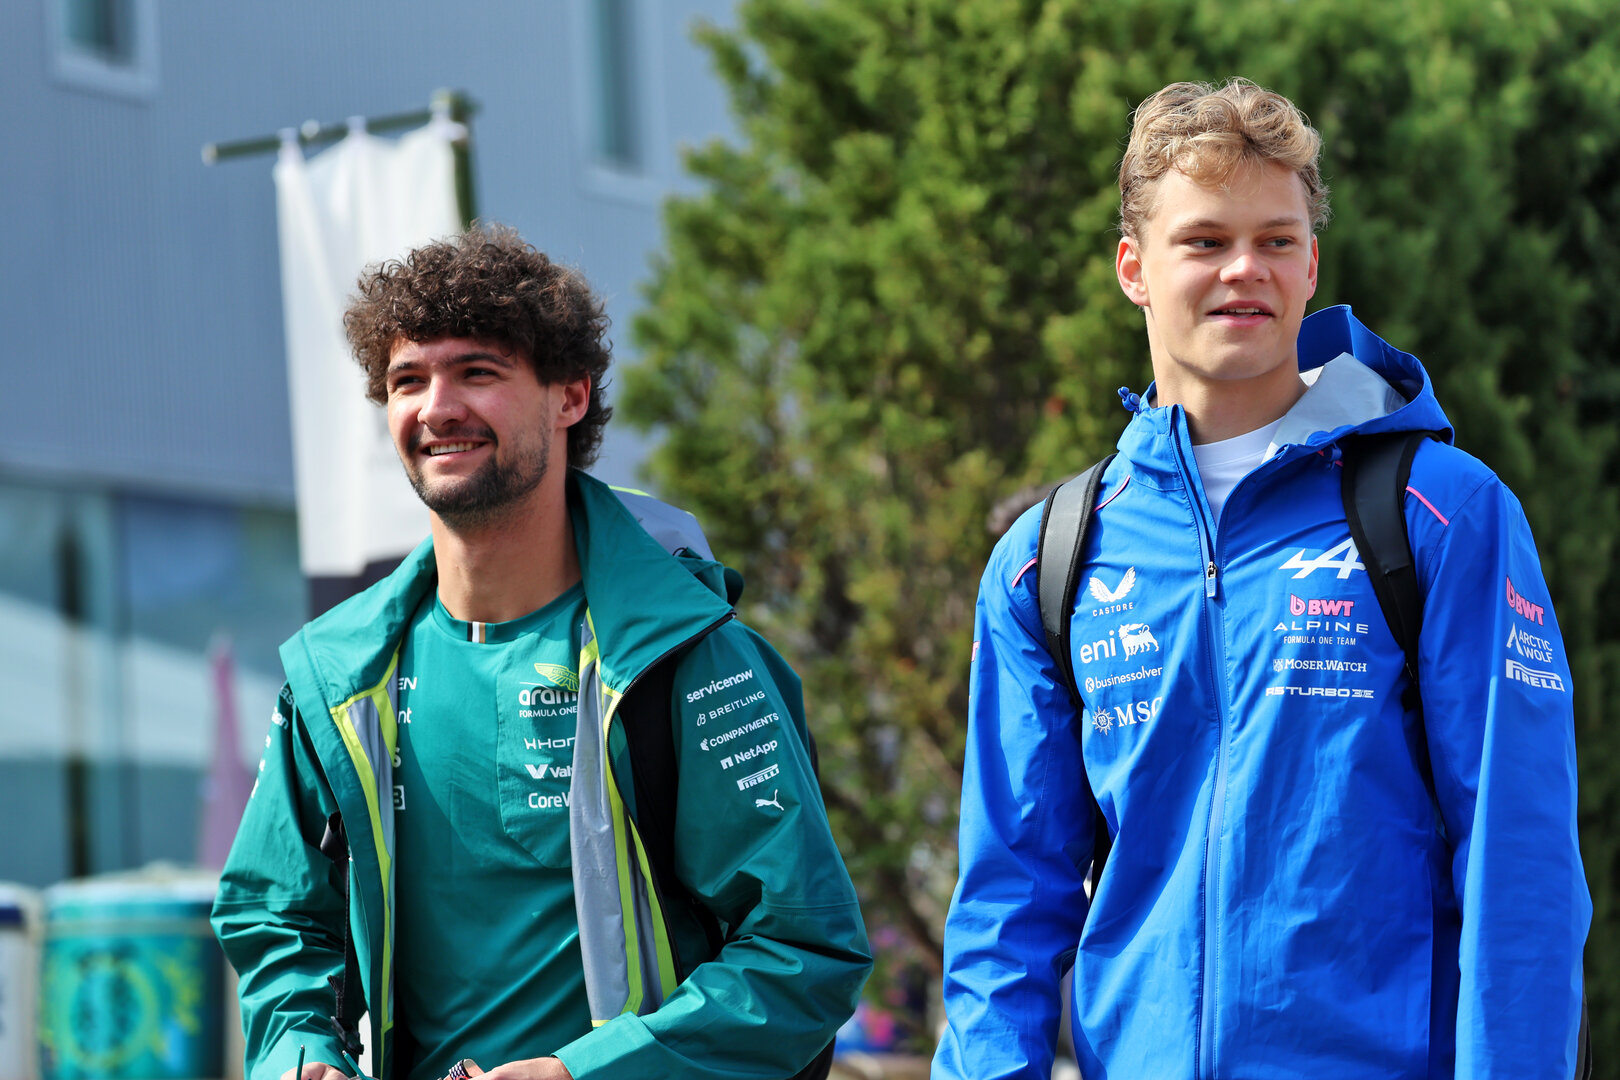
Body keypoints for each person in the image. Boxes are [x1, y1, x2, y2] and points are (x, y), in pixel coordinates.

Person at [933, 78, 1588, 1079]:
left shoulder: (1442, 513)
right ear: (1134, 269)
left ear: (1312, 263)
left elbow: (1522, 867)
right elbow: (1007, 901)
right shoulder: (1047, 559)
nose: (1246, 269)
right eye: (1204, 241)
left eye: (1277, 241)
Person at [213, 226, 871, 1080]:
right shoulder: (335, 679)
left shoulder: (691, 657)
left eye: (477, 373)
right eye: (407, 380)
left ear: (570, 396)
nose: (436, 407)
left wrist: (587, 1073)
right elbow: (278, 920)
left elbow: (803, 948)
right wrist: (302, 1059)